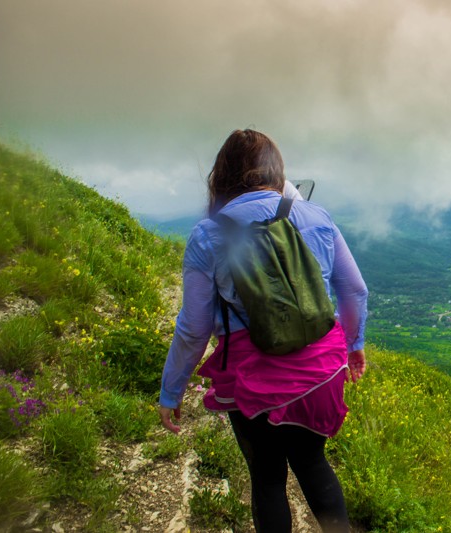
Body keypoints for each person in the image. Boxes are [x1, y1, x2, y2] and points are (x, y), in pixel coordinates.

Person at [158, 129, 368, 533]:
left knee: (268, 477)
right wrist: (354, 346)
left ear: (221, 176)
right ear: (276, 171)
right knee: (312, 462)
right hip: (319, 370)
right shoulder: (315, 216)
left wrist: (172, 390)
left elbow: (194, 328)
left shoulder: (208, 234)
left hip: (251, 379)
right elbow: (354, 289)